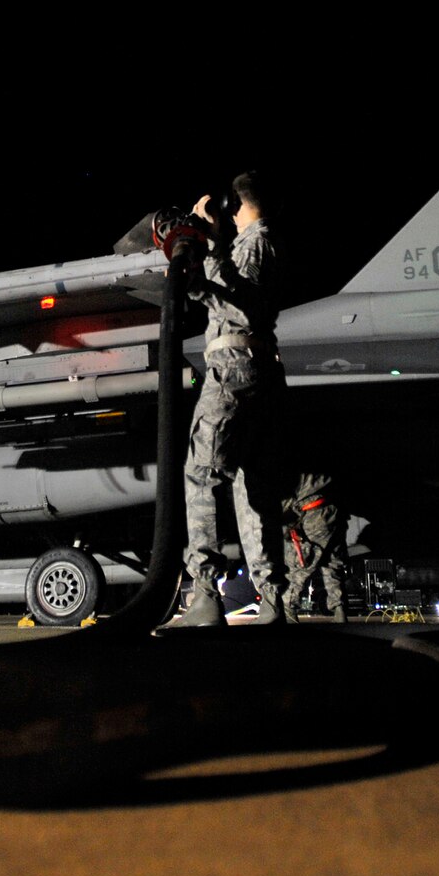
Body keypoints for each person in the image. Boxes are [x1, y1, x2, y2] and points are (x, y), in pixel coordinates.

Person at [164, 171, 287, 628]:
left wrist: (211, 250)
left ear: (236, 206)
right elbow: (235, 296)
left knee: (203, 473)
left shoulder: (254, 243)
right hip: (259, 373)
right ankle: (272, 600)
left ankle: (205, 596)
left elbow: (241, 307)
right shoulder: (262, 244)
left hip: (235, 367)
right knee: (253, 488)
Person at [282, 472, 348, 622]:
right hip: (334, 512)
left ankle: (288, 607)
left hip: (313, 512)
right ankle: (340, 610)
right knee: (332, 563)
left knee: (301, 563)